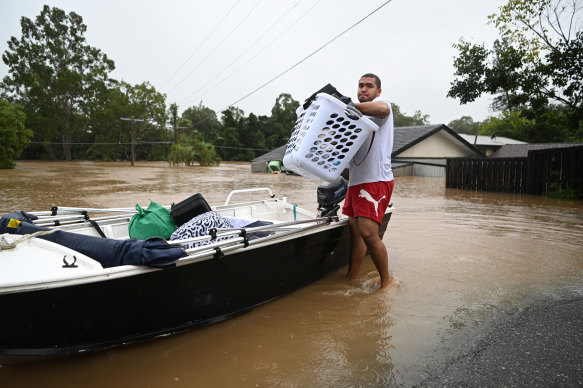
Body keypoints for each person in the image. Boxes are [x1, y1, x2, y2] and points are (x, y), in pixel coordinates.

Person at [342, 73, 394, 288]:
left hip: (376, 179)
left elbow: (381, 109)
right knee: (356, 234)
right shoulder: (353, 117)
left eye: (369, 86)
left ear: (378, 91)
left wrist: (346, 105)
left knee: (368, 233)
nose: (363, 89)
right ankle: (351, 279)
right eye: (360, 86)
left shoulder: (381, 107)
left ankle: (387, 283)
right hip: (355, 182)